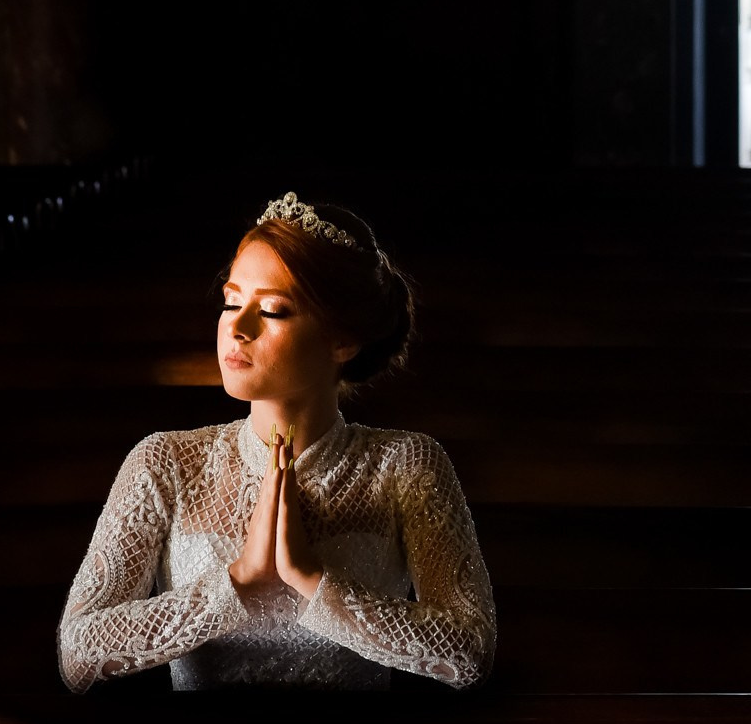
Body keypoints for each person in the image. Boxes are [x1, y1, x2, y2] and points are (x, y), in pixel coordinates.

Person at [57, 192, 497, 692]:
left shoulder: (408, 465)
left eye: (272, 311)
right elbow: (78, 653)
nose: (236, 328)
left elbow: (470, 652)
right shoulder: (165, 461)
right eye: (231, 301)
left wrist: (314, 579)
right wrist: (236, 582)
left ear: (342, 340)